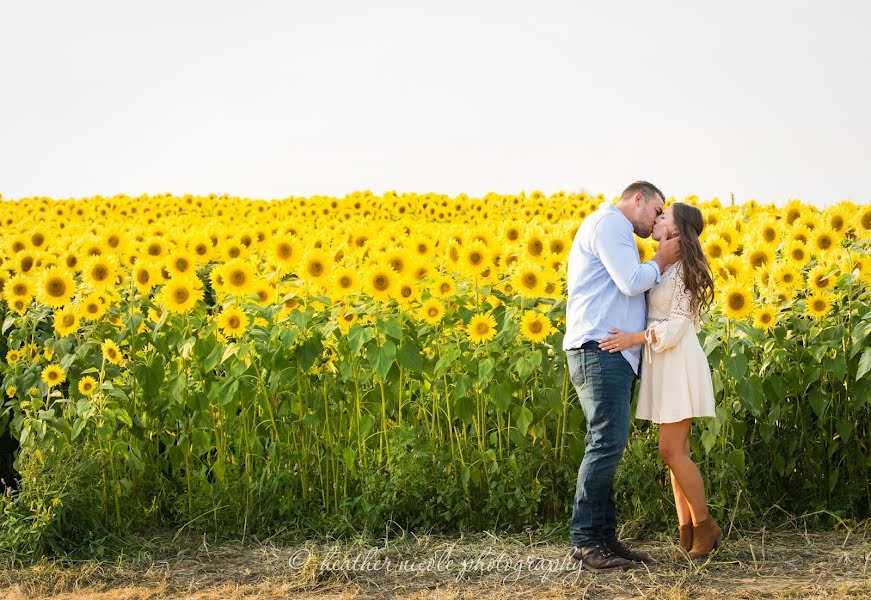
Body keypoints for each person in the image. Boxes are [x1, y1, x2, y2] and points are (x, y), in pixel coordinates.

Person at [563, 181, 681, 571]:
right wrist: (661, 260)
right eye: (656, 210)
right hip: (599, 350)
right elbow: (631, 282)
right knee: (604, 443)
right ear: (637, 199)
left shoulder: (616, 229)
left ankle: (603, 537)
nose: (657, 220)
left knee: (608, 444)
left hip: (611, 353)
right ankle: (584, 542)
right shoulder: (610, 224)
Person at [599, 202, 721, 558]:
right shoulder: (663, 265)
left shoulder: (686, 269)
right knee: (672, 453)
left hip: (677, 361)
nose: (656, 219)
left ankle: (705, 526)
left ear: (677, 230)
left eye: (663, 216)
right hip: (661, 363)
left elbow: (678, 325)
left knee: (672, 450)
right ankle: (686, 531)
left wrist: (633, 338)